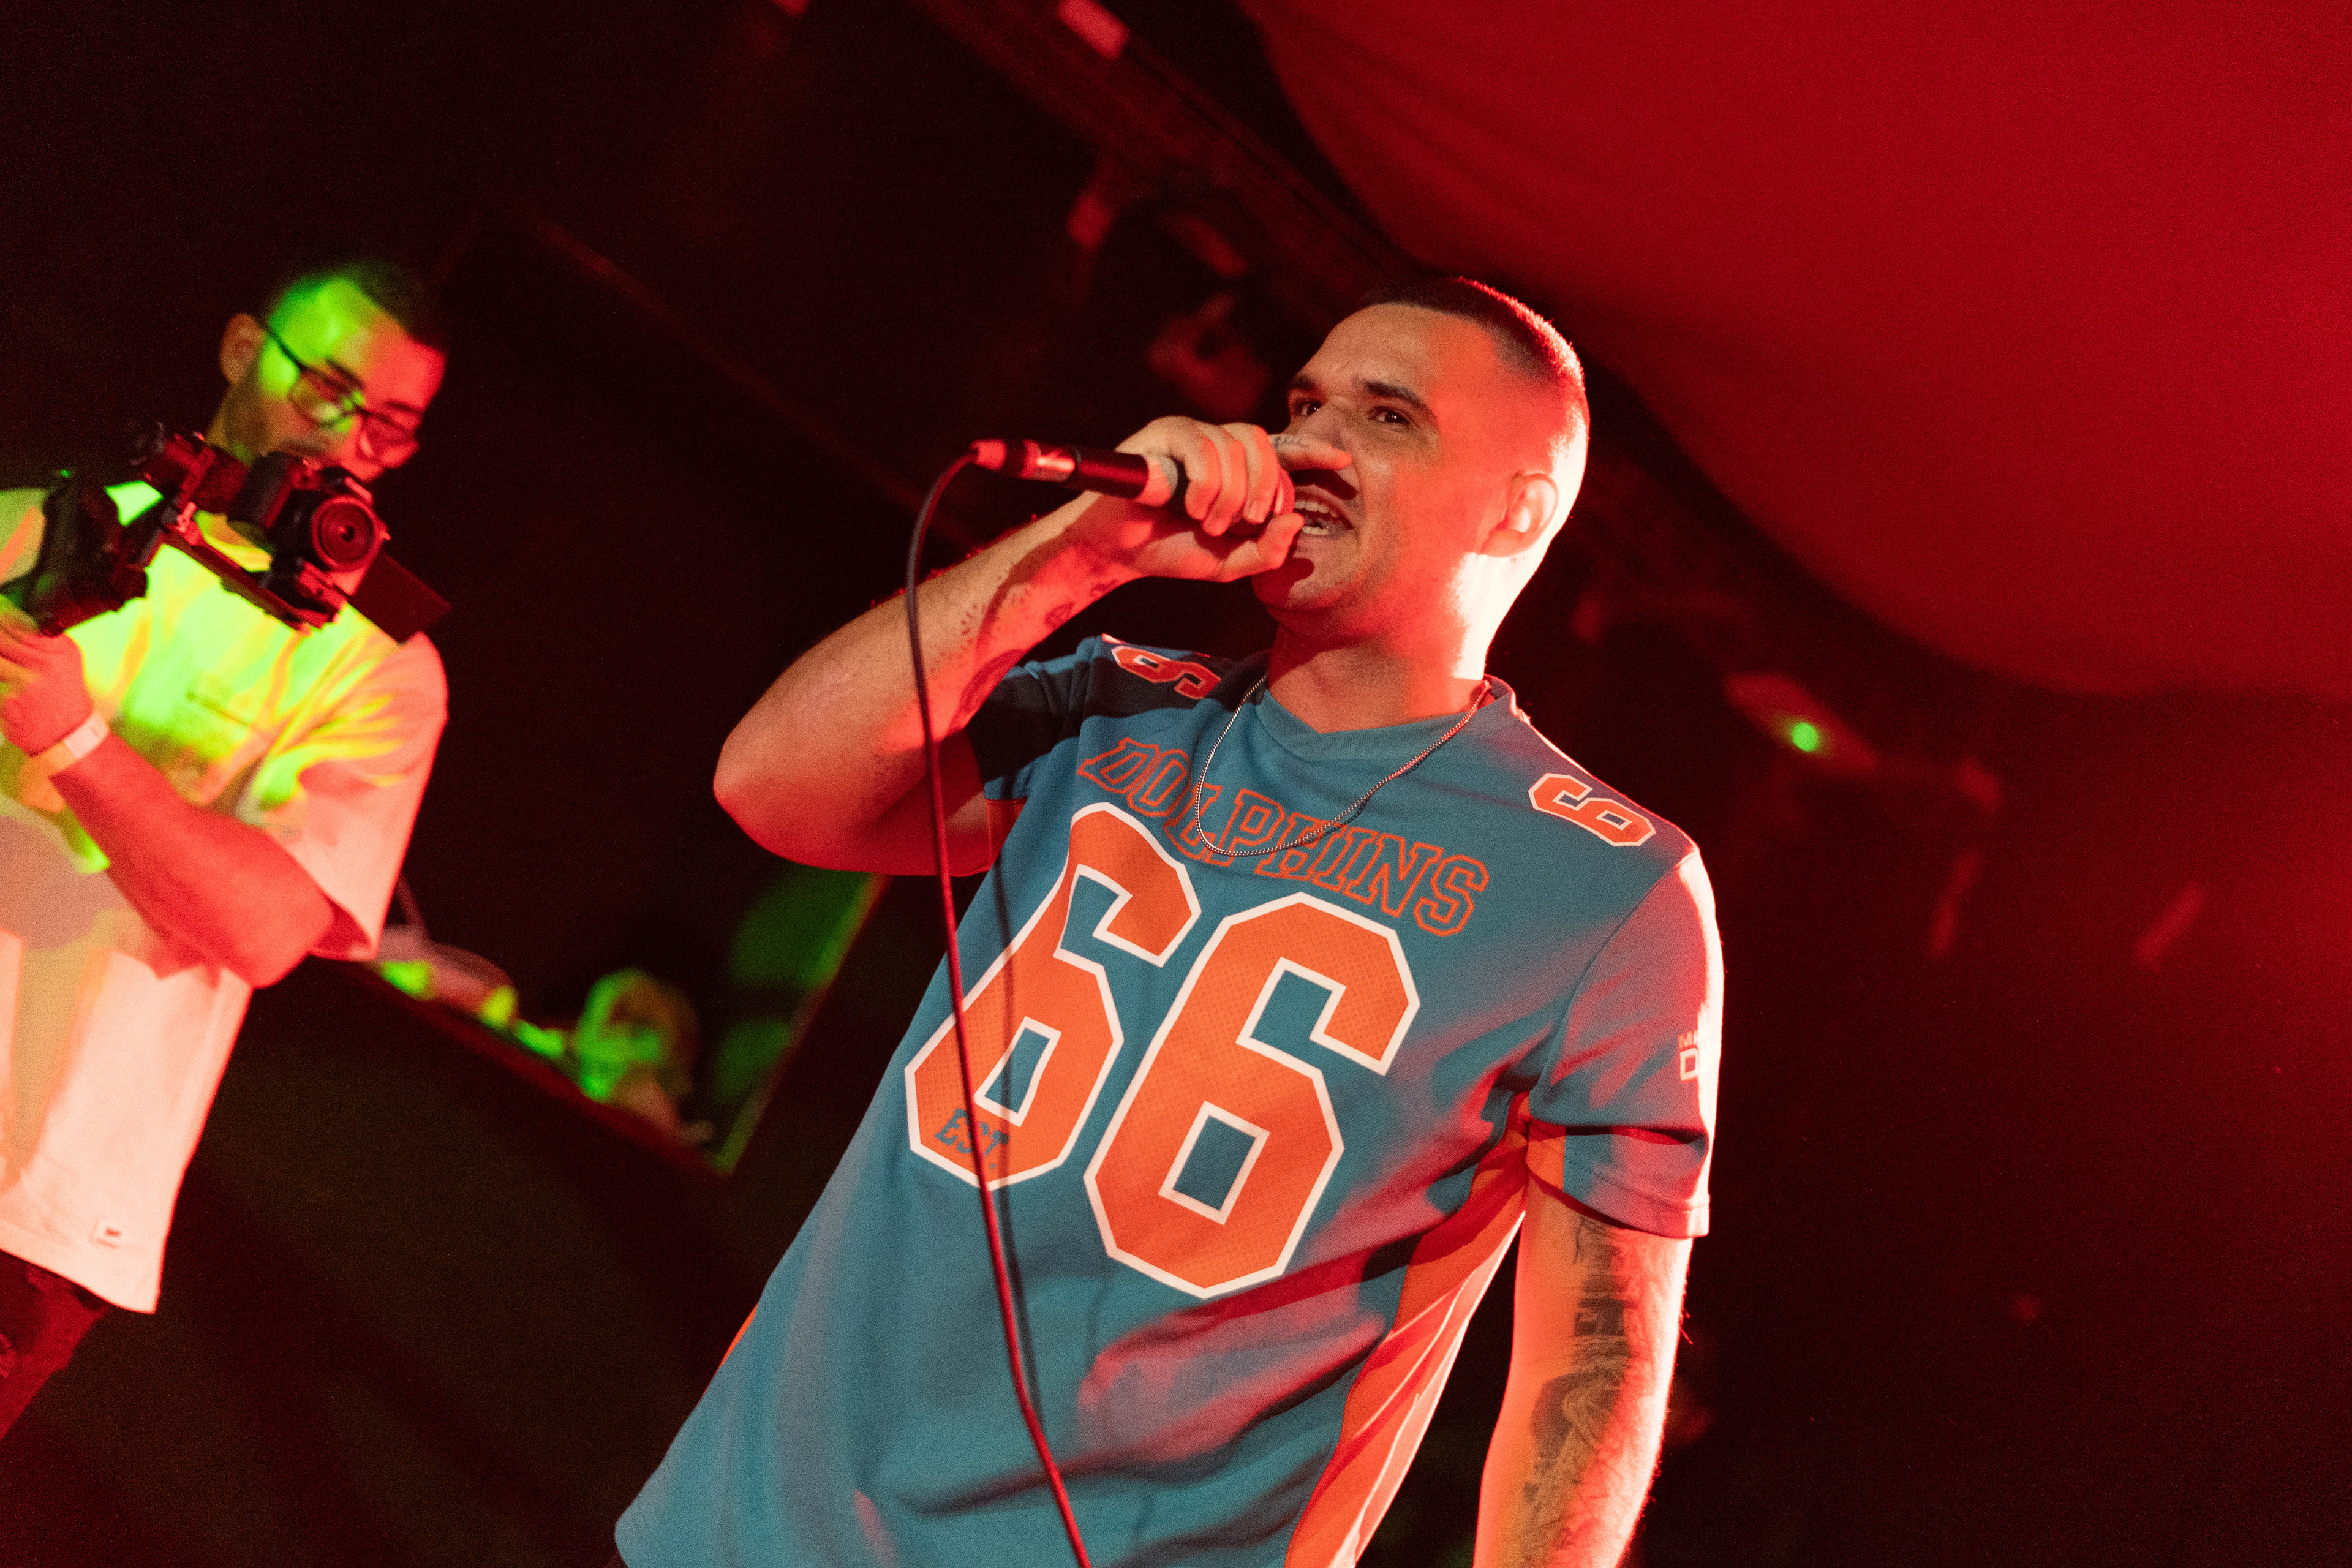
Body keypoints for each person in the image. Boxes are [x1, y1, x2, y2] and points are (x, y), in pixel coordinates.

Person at [619, 276, 1722, 1567]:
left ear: (1520, 506)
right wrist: (1080, 553)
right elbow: (772, 788)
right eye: (1303, 402)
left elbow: (1594, 1364)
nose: (1311, 443)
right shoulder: (1112, 707)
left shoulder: (1606, 887)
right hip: (738, 1535)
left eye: (1387, 417)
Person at [0, 255, 450, 1436]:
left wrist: (75, 739)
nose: (348, 438)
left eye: (390, 425)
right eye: (328, 390)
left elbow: (265, 931)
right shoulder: (28, 529)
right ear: (244, 349)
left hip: (30, 1203)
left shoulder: (381, 666)